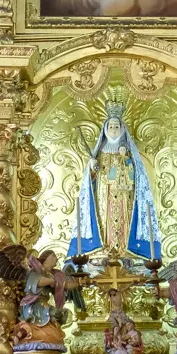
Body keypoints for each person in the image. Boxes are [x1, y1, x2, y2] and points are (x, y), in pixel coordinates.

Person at [68, 105, 161, 263]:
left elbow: (136, 176)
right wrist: (92, 168)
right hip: (104, 196)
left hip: (125, 195)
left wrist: (126, 160)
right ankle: (104, 250)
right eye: (110, 126)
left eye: (116, 126)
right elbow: (90, 182)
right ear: (105, 129)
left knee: (125, 220)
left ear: (122, 129)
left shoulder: (129, 152)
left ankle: (125, 251)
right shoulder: (99, 152)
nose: (113, 129)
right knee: (105, 222)